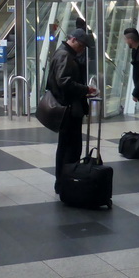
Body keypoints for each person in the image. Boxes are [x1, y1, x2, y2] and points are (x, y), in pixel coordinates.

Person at [48, 29, 97, 192]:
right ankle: (65, 182)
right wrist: (85, 89)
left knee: (66, 146)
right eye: (81, 45)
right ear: (73, 40)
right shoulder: (65, 55)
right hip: (69, 109)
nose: (82, 49)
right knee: (70, 147)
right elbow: (64, 82)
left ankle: (63, 182)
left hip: (68, 107)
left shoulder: (63, 53)